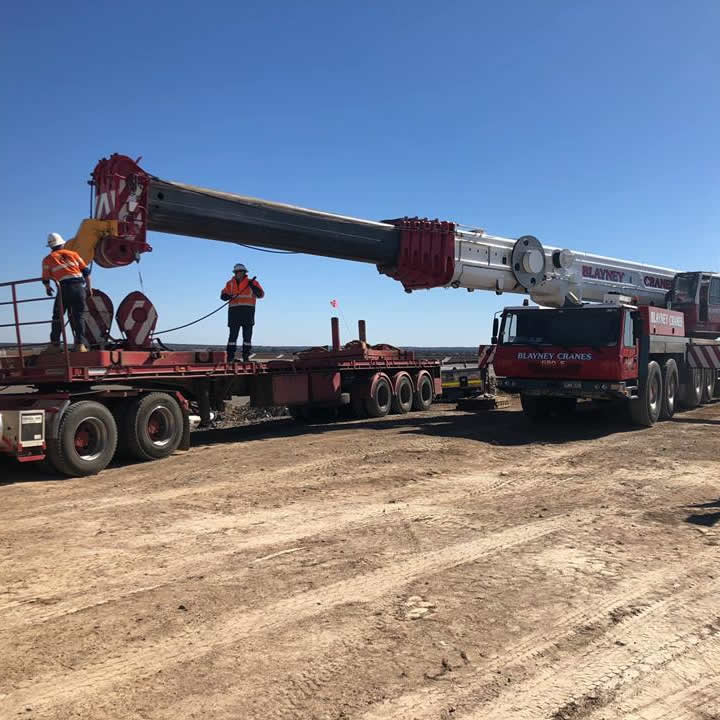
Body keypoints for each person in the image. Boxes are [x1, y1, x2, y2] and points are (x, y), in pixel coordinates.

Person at [42, 233, 92, 352]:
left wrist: (48, 288)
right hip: (79, 288)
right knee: (79, 316)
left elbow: (45, 279)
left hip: (63, 289)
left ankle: (55, 345)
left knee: (57, 316)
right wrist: (89, 288)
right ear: (62, 244)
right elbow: (86, 273)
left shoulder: (48, 259)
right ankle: (80, 345)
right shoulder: (74, 254)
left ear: (50, 247)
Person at [221, 263, 264, 362]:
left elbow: (261, 294)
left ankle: (246, 357)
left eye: (241, 272)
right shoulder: (229, 284)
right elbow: (223, 295)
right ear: (235, 273)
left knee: (247, 337)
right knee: (232, 336)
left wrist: (252, 286)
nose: (239, 273)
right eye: (237, 272)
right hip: (234, 313)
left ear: (244, 272)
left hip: (247, 312)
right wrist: (227, 296)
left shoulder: (253, 282)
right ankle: (230, 357)